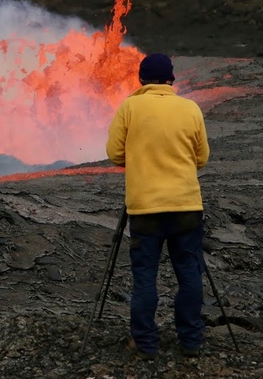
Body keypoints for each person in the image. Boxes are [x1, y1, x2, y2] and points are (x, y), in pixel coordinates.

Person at [105, 52, 210, 360]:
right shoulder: (190, 109)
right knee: (189, 273)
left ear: (141, 80)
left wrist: (140, 159)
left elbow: (114, 154)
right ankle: (191, 341)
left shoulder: (130, 107)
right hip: (186, 206)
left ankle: (146, 344)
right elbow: (201, 158)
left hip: (145, 209)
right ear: (170, 80)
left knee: (145, 276)